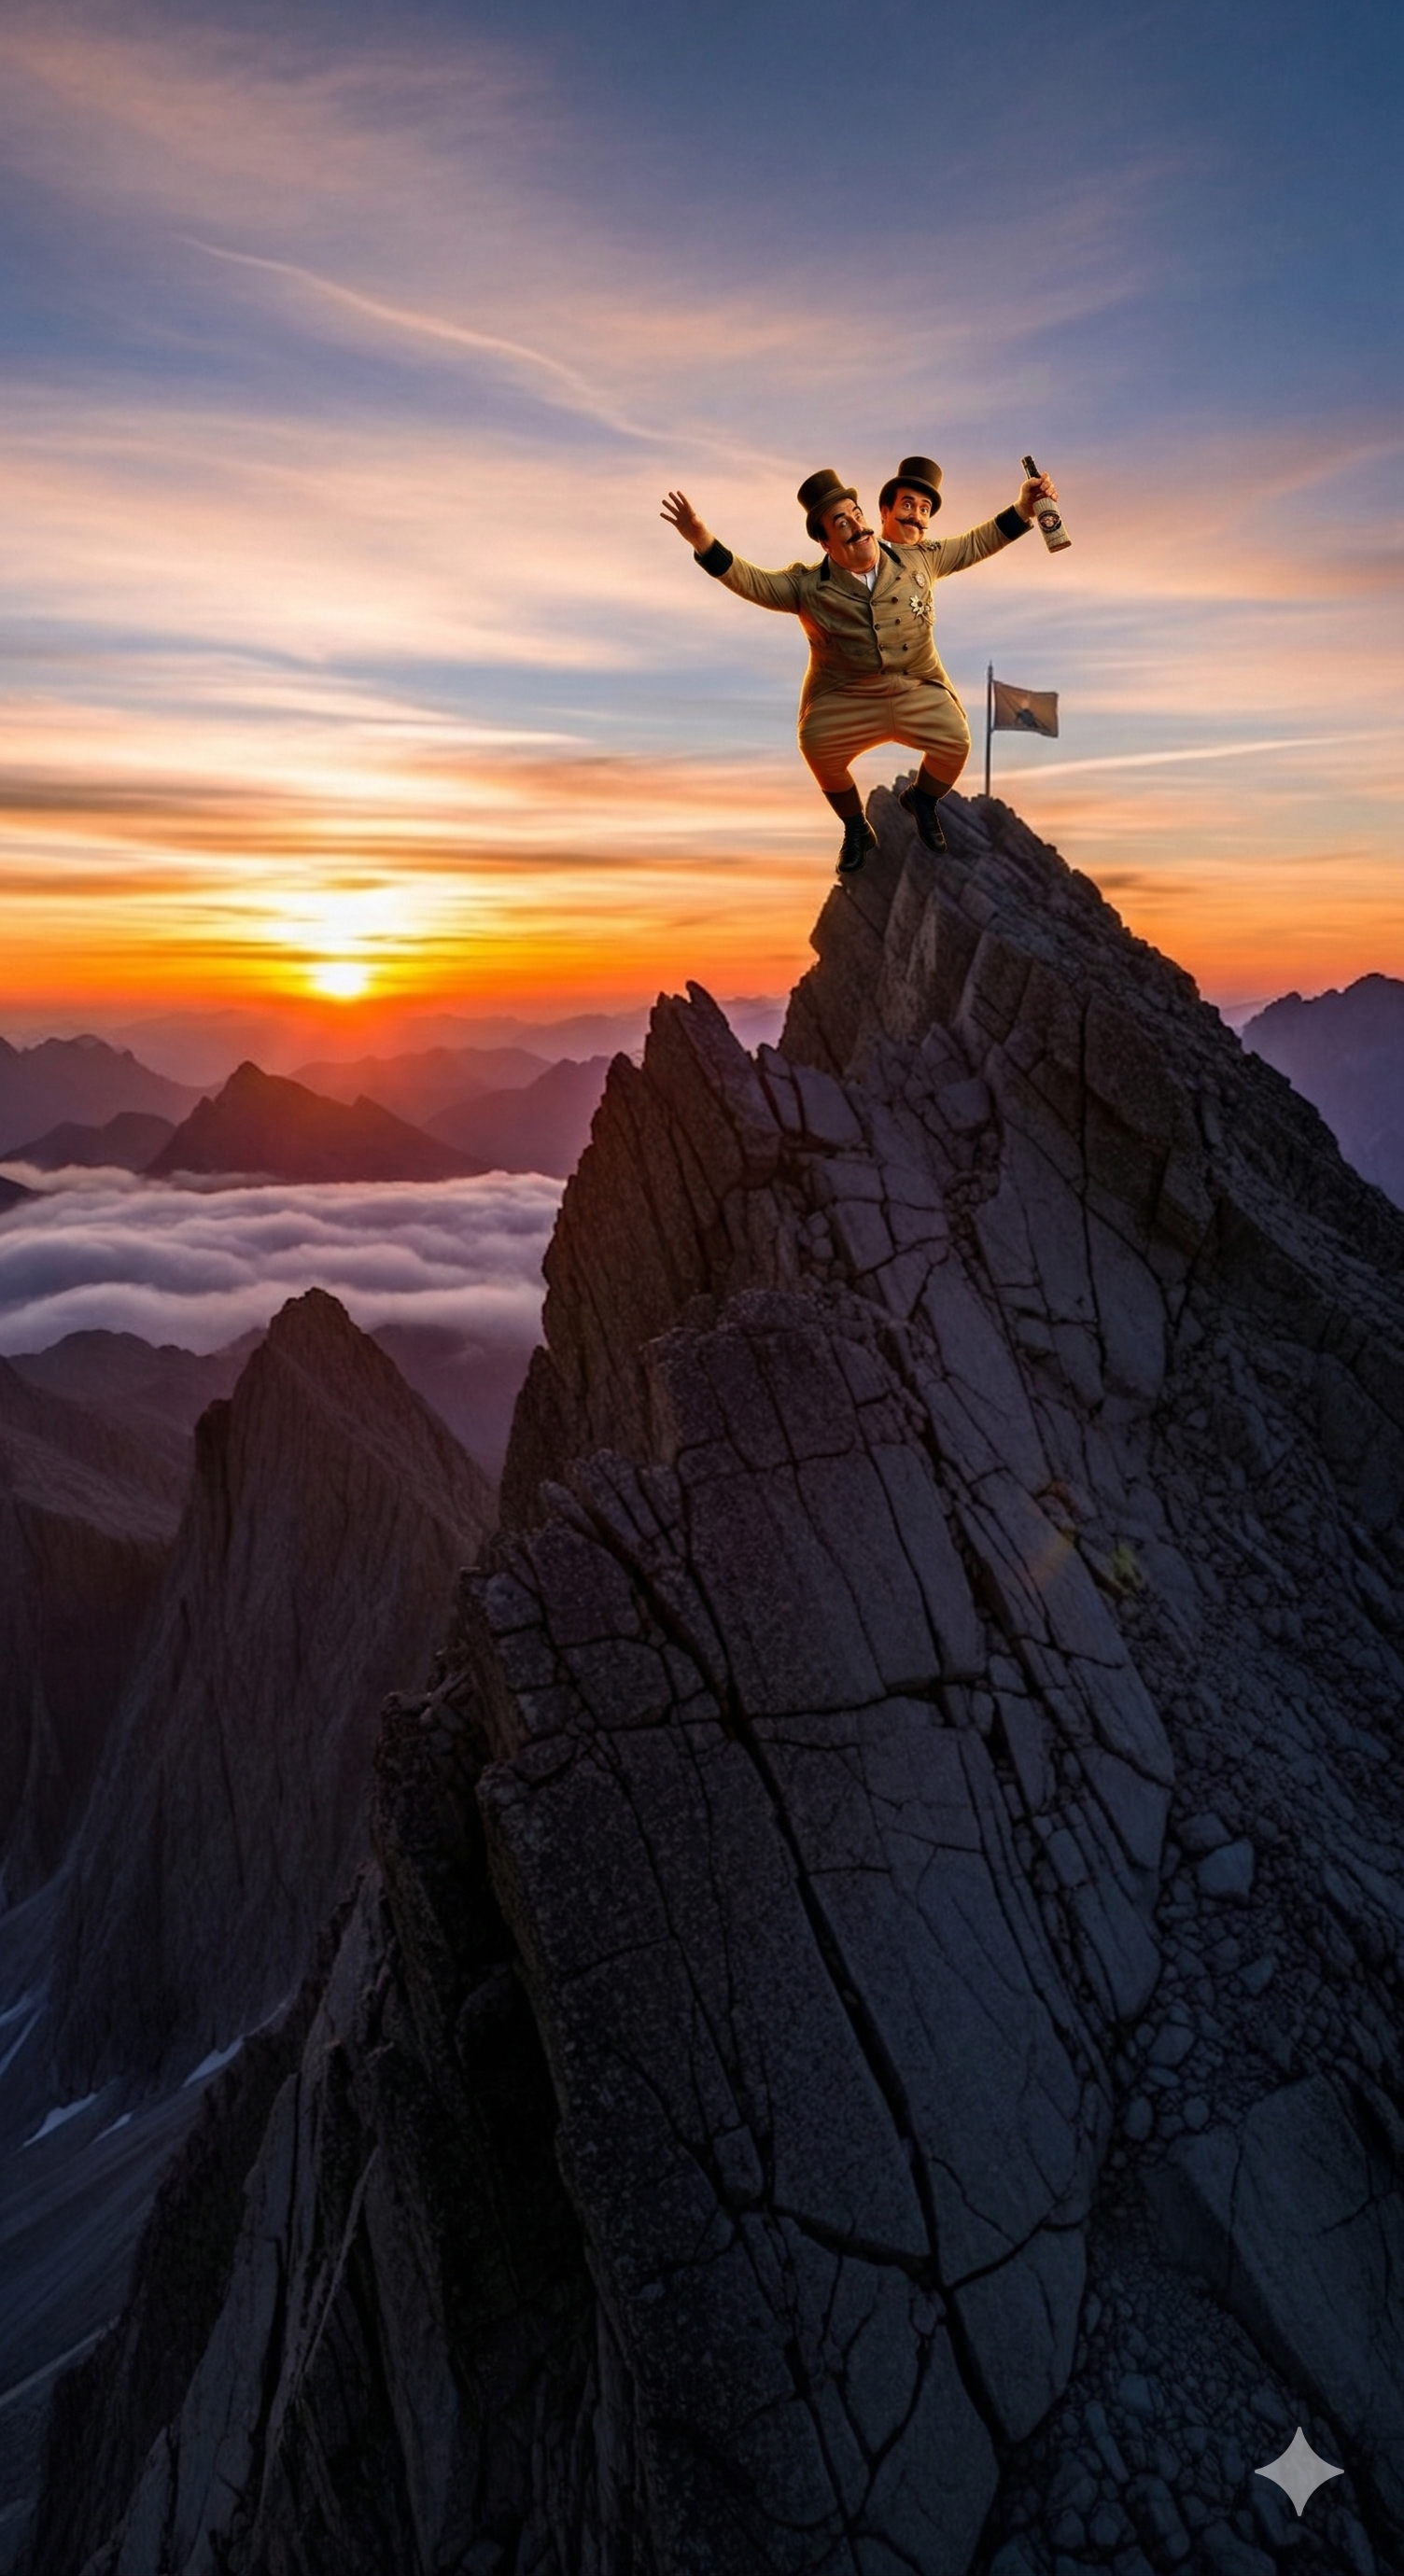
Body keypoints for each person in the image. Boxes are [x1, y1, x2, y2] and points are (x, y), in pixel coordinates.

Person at [661, 458, 1058, 873]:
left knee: (956, 742)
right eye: (842, 523)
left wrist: (1023, 507)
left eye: (857, 515)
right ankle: (856, 827)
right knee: (816, 746)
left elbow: (978, 542)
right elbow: (751, 580)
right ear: (825, 543)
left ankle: (922, 799)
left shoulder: (920, 559)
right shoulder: (806, 587)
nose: (858, 527)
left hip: (916, 686)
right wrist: (701, 538)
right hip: (846, 695)